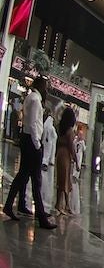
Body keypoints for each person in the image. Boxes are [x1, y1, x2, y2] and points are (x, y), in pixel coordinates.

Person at [3, 79, 53, 227]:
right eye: (46, 87)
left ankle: (13, 205)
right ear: (42, 87)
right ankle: (41, 217)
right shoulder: (36, 100)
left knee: (23, 176)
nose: (47, 90)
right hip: (32, 142)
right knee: (36, 180)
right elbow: (33, 124)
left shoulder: (30, 97)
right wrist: (37, 145)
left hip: (27, 139)